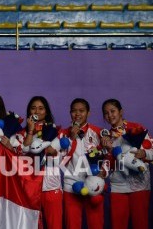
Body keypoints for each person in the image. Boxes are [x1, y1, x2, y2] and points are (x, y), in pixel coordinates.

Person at [101, 99, 152, 229]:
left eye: (113, 111)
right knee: (118, 225)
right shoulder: (106, 138)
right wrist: (108, 151)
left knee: (140, 224)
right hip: (118, 186)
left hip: (140, 185)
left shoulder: (138, 129)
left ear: (121, 111)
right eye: (106, 113)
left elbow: (151, 151)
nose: (110, 115)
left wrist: (144, 153)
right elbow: (108, 164)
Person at [58, 98, 106, 229]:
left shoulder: (98, 132)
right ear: (70, 113)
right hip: (71, 185)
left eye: (81, 111)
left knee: (96, 225)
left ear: (88, 113)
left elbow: (108, 155)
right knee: (72, 225)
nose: (77, 114)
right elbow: (59, 160)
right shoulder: (62, 134)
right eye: (74, 111)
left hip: (93, 185)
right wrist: (71, 138)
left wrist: (104, 172)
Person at [15, 96, 62, 229]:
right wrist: (30, 130)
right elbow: (23, 152)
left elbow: (59, 158)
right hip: (29, 188)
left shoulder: (56, 132)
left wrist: (50, 149)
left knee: (55, 226)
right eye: (33, 108)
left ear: (46, 112)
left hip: (50, 186)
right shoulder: (21, 133)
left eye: (41, 108)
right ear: (29, 111)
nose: (37, 111)